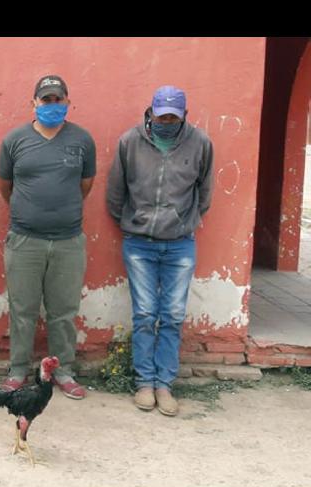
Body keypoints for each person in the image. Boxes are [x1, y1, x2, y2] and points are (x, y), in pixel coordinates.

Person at [106, 85, 214, 416]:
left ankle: (165, 385)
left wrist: (185, 222)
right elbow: (115, 193)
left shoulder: (200, 144)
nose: (166, 121)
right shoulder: (129, 142)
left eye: (173, 117)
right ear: (150, 112)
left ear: (184, 116)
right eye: (161, 115)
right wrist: (132, 223)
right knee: (144, 315)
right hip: (139, 244)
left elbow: (204, 192)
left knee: (172, 316)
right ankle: (144, 384)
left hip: (180, 245)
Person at [0, 75, 96, 400]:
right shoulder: (15, 141)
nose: (52, 106)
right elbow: (4, 186)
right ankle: (17, 370)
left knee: (64, 311)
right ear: (34, 104)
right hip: (25, 240)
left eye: (58, 100)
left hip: (68, 241)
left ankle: (64, 370)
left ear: (67, 102)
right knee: (22, 309)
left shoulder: (82, 140)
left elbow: (86, 184)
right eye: (45, 100)